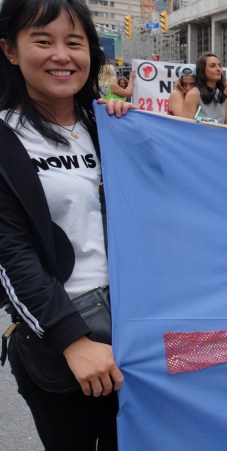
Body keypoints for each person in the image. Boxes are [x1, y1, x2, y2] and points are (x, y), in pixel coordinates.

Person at [0, 0, 132, 449]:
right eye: (43, 40)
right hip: (63, 340)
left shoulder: (108, 126)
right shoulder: (6, 136)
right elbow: (10, 254)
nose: (62, 55)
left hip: (135, 329)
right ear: (10, 50)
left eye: (74, 43)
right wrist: (71, 340)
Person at [182, 52, 226, 123]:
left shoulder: (223, 92)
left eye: (219, 65)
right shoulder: (193, 94)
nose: (218, 69)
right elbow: (186, 126)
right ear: (202, 70)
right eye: (212, 66)